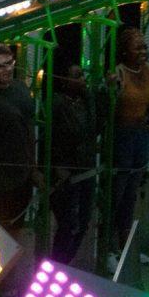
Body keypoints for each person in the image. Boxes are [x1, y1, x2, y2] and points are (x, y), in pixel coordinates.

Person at [106, 25, 149, 272]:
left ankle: (126, 246)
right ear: (125, 51)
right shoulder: (119, 73)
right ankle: (109, 248)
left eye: (144, 45)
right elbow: (110, 108)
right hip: (122, 136)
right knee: (116, 193)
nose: (143, 50)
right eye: (137, 47)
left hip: (141, 134)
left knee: (132, 194)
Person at [0, 41, 39, 234]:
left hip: (23, 173)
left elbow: (29, 128)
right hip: (0, 181)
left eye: (11, 63)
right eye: (1, 66)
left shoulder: (19, 88)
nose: (8, 69)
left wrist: (33, 167)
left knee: (17, 228)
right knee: (1, 231)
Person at [49, 63, 104, 265]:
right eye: (77, 76)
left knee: (82, 222)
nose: (83, 80)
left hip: (85, 169)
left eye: (83, 75)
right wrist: (57, 166)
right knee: (68, 222)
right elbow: (51, 137)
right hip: (66, 171)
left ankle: (63, 263)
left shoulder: (85, 101)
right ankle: (57, 263)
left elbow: (96, 127)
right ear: (64, 80)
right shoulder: (57, 103)